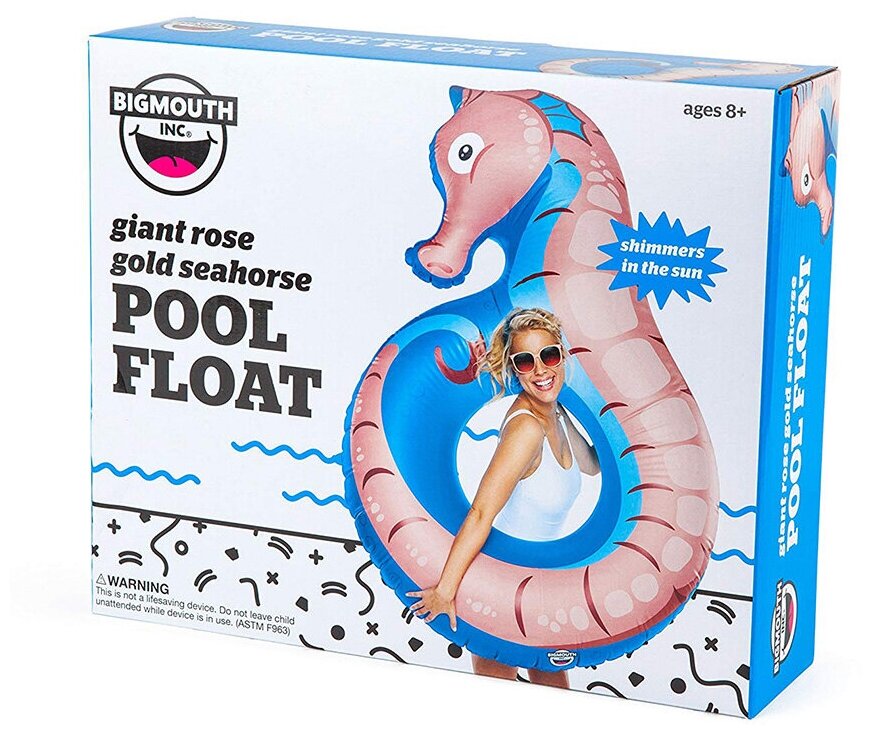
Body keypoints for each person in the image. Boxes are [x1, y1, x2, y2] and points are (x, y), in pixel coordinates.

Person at [409, 307, 600, 687]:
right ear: (515, 369)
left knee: (554, 690)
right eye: (526, 362)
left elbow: (592, 466)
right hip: (499, 580)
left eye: (549, 355)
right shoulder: (526, 429)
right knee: (499, 698)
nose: (540, 370)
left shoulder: (557, 411)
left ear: (562, 355)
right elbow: (482, 512)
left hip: (540, 579)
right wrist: (445, 590)